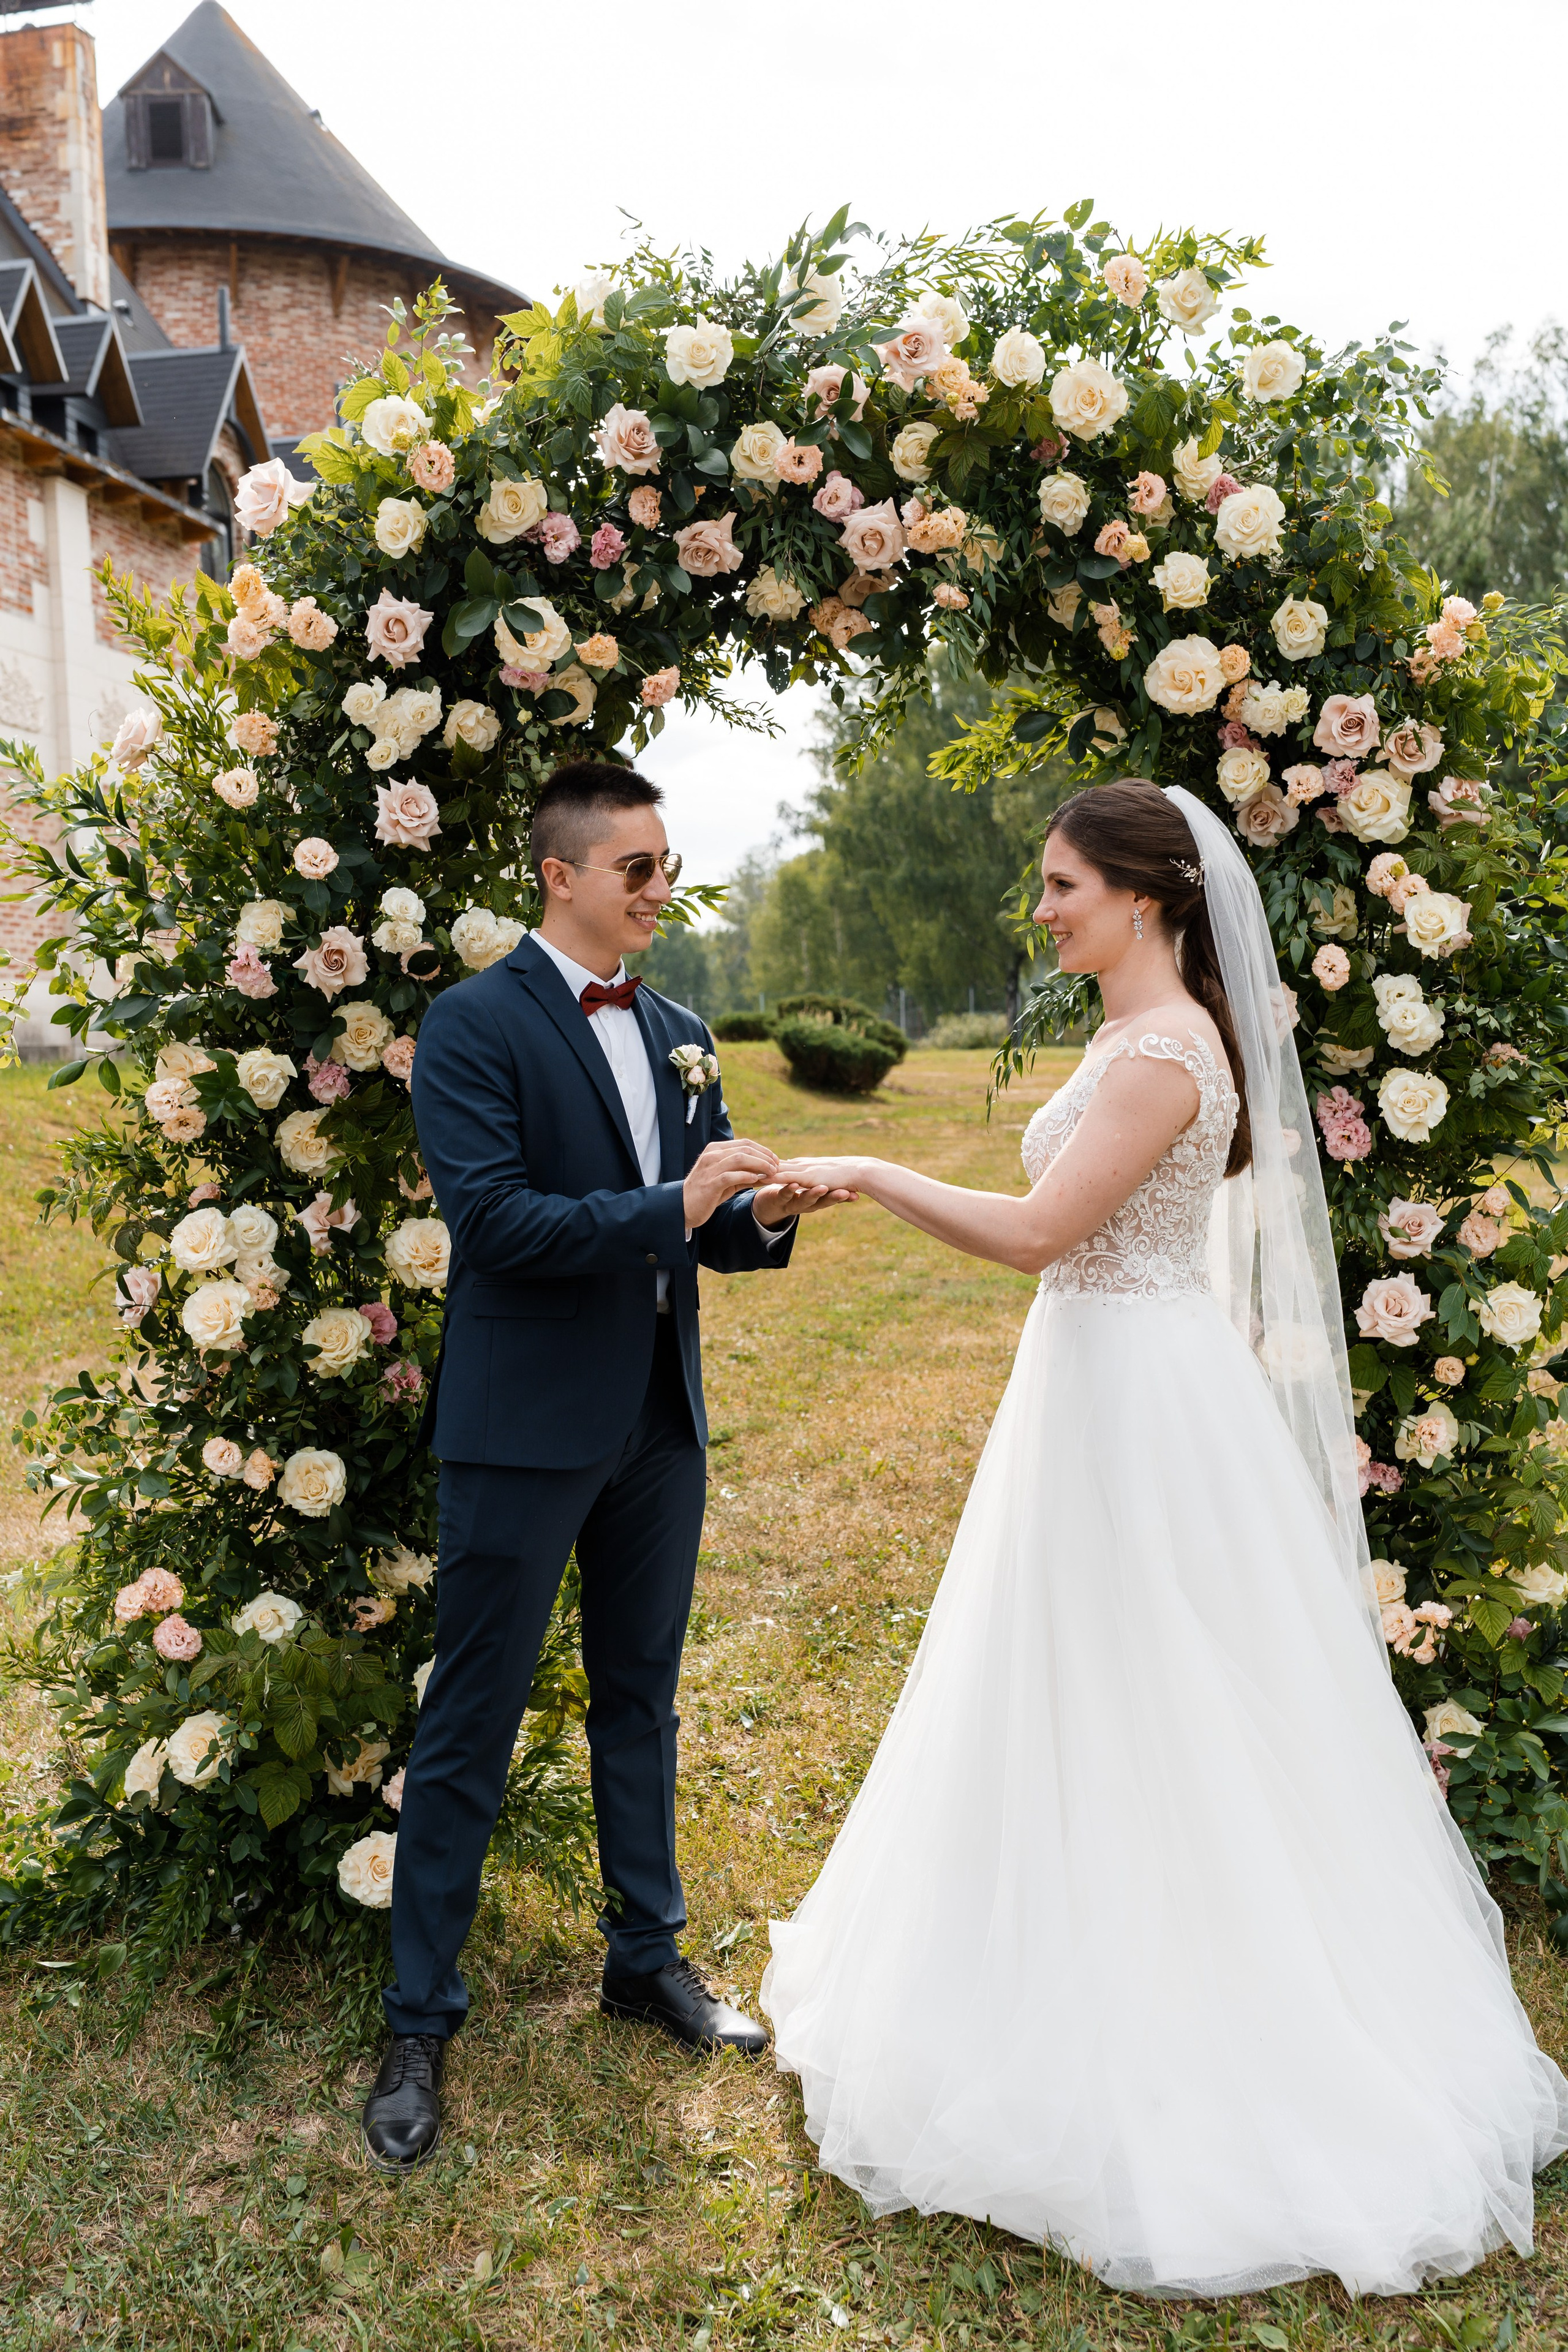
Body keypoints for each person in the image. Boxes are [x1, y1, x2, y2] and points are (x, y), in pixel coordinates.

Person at [760, 779, 1568, 2297]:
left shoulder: (1159, 1052)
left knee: (1155, 1692)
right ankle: (1040, 1966)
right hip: (1103, 1380)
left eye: (1063, 884)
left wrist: (861, 1170)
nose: (1045, 908)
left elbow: (1033, 1234)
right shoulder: (1139, 1033)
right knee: (1070, 1678)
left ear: (1144, 894)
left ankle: (1182, 2024)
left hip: (1134, 1397)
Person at [364, 758, 846, 2170]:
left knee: (641, 1697)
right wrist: (668, 1202)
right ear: (559, 875)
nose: (660, 887)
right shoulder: (468, 1027)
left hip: (657, 1417)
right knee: (474, 1712)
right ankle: (417, 2017)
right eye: (636, 867)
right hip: (520, 1426)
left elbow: (694, 1231)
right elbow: (498, 1225)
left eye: (667, 862)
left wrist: (759, 1211)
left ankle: (646, 1958)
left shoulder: (684, 1027)